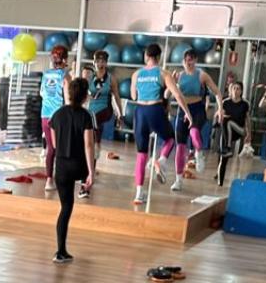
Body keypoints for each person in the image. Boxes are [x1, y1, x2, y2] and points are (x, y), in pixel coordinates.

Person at [130, 43, 189, 205]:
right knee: (170, 139)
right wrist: (188, 114)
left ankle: (139, 194)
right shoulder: (164, 73)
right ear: (159, 57)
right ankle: (161, 161)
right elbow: (176, 94)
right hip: (155, 110)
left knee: (141, 154)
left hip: (140, 111)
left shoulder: (136, 74)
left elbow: (134, 96)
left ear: (146, 57)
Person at [48, 78, 97, 264]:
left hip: (61, 167)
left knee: (65, 208)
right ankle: (85, 187)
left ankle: (60, 251)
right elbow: (89, 145)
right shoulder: (86, 116)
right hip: (78, 166)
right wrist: (91, 172)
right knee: (85, 180)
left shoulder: (56, 115)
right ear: (85, 97)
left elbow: (53, 144)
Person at [165, 48, 224, 192]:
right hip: (182, 110)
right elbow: (167, 95)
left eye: (191, 60)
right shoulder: (178, 76)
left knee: (194, 132)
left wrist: (220, 108)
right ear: (183, 62)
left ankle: (198, 153)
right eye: (186, 60)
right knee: (180, 147)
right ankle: (178, 180)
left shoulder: (202, 75)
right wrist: (171, 81)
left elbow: (217, 92)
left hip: (197, 109)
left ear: (196, 61)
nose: (188, 63)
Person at [85, 49, 122, 198]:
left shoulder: (111, 79)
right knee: (90, 142)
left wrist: (121, 113)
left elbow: (117, 96)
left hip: (105, 110)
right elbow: (82, 92)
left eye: (103, 61)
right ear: (94, 62)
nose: (100, 64)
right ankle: (91, 170)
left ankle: (97, 143)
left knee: (94, 127)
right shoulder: (89, 76)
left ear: (106, 63)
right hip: (91, 110)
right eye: (97, 61)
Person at [38, 44, 72, 191]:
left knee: (51, 148)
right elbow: (68, 98)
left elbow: (41, 93)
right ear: (65, 59)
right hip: (58, 115)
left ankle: (49, 180)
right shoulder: (65, 75)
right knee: (60, 148)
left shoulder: (46, 74)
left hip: (45, 114)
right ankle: (59, 178)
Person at [214, 80, 252, 186]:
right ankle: (220, 183)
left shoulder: (245, 104)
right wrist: (219, 115)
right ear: (231, 90)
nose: (236, 91)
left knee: (229, 122)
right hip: (227, 132)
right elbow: (218, 116)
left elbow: (247, 119)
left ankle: (228, 147)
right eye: (234, 88)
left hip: (239, 130)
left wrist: (249, 133)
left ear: (241, 91)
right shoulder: (225, 102)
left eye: (238, 89)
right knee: (223, 156)